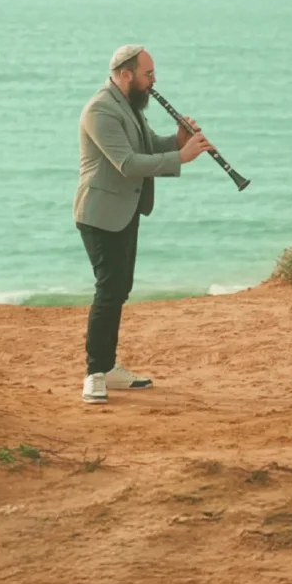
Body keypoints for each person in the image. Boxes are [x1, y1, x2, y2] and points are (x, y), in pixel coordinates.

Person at [72, 44, 213, 404]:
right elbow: (128, 164)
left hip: (125, 208)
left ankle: (108, 367)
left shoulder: (129, 105)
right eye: (148, 75)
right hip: (100, 213)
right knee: (108, 290)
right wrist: (180, 157)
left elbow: (148, 145)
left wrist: (178, 140)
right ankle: (93, 374)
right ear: (125, 75)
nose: (153, 81)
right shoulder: (101, 110)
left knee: (120, 288)